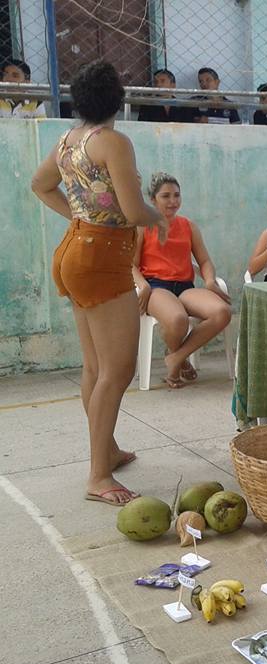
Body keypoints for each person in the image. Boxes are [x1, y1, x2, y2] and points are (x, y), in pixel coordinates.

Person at [31, 61, 167, 506]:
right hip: (102, 259)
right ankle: (98, 476)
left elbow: (40, 185)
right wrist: (158, 218)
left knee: (95, 366)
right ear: (118, 99)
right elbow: (132, 211)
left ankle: (105, 450)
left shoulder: (68, 141)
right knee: (117, 370)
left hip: (76, 251)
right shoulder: (113, 141)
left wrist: (80, 217)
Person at [131, 172, 232, 388]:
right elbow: (130, 264)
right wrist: (143, 285)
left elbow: (204, 261)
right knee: (178, 320)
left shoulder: (188, 226)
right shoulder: (142, 226)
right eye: (165, 196)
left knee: (222, 312)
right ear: (153, 200)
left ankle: (176, 356)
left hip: (185, 287)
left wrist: (210, 280)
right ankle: (179, 361)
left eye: (176, 195)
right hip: (156, 287)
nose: (173, 201)